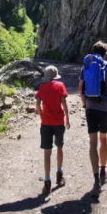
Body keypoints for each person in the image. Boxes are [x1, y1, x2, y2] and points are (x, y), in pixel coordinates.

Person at [78, 41, 107, 196]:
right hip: (104, 108)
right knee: (104, 138)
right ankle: (103, 169)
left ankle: (96, 179)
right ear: (105, 53)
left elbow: (80, 88)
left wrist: (84, 104)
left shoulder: (87, 66)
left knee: (92, 141)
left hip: (90, 107)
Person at [35, 65, 70, 197]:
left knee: (47, 152)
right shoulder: (60, 86)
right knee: (60, 147)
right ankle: (59, 175)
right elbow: (64, 104)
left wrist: (41, 114)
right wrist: (68, 119)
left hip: (46, 123)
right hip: (59, 121)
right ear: (56, 76)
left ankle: (47, 181)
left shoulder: (42, 88)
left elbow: (38, 105)